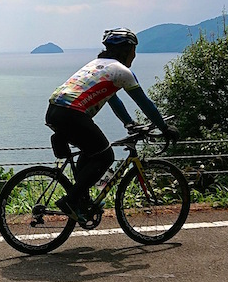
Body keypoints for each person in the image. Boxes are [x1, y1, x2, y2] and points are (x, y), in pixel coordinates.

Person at [46, 27, 179, 220]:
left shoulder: (97, 65)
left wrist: (129, 123)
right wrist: (164, 128)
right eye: (134, 51)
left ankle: (81, 201)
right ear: (127, 50)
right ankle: (71, 200)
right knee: (106, 155)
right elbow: (145, 103)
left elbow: (111, 98)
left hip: (54, 111)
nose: (135, 56)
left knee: (91, 153)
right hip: (72, 114)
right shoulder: (122, 71)